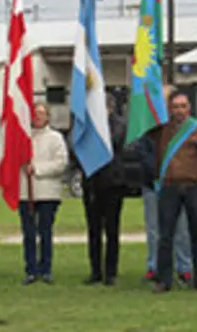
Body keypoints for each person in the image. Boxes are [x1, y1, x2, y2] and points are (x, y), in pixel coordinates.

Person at [152, 91, 197, 293]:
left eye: (183, 106)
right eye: (175, 107)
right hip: (170, 187)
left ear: (189, 108)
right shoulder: (163, 130)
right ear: (170, 109)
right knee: (165, 235)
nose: (179, 110)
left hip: (194, 187)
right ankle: (164, 279)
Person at [124, 134, 193, 284]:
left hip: (176, 185)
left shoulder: (180, 131)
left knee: (181, 228)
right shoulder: (147, 134)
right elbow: (142, 155)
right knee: (154, 229)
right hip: (151, 185)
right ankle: (154, 267)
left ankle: (185, 268)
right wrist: (158, 173)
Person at [19, 102, 69, 285]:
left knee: (45, 232)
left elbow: (61, 163)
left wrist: (38, 169)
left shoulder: (55, 138)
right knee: (29, 233)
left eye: (41, 113)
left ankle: (46, 268)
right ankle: (30, 269)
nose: (38, 117)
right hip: (26, 192)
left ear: (47, 116)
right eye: (35, 113)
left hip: (47, 192)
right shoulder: (23, 137)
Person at [81, 94, 127, 286]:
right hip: (92, 183)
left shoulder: (119, 124)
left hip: (113, 183)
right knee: (93, 229)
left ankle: (111, 271)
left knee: (112, 229)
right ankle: (95, 271)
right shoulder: (87, 124)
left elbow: (114, 143)